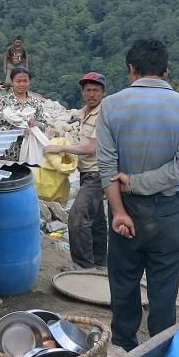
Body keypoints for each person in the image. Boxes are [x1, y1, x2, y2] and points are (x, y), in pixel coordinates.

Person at [96, 39, 179, 352]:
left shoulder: (111, 106)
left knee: (124, 287)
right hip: (168, 215)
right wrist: (138, 182)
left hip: (125, 211)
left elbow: (106, 167)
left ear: (131, 69)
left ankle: (124, 351)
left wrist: (119, 211)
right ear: (166, 71)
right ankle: (158, 355)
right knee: (163, 294)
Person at [46, 71, 108, 270]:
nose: (91, 94)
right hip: (86, 172)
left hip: (98, 174)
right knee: (97, 220)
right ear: (82, 92)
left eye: (96, 90)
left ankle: (83, 267)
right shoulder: (84, 112)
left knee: (77, 217)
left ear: (103, 93)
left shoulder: (104, 114)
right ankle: (100, 264)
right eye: (88, 90)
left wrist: (62, 148)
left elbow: (92, 147)